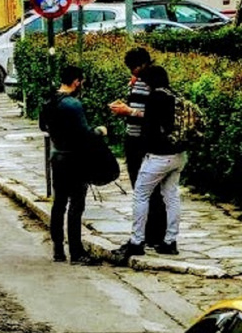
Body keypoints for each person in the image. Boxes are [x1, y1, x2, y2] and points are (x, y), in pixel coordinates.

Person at [39, 65, 102, 264]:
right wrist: (101, 131)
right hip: (75, 159)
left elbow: (43, 126)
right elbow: (86, 134)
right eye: (80, 81)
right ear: (76, 81)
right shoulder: (73, 104)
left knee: (59, 204)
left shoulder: (49, 101)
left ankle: (58, 249)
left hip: (57, 156)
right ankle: (76, 251)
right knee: (76, 204)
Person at [123, 65, 184, 261]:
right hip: (179, 155)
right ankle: (170, 241)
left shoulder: (154, 98)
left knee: (141, 194)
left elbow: (147, 129)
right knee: (172, 196)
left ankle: (137, 241)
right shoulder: (175, 95)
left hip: (158, 156)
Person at [108, 48, 166, 253]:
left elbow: (153, 114)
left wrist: (129, 111)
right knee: (144, 188)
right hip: (133, 138)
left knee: (146, 190)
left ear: (142, 65)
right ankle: (152, 234)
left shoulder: (152, 83)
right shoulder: (140, 82)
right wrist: (125, 109)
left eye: (134, 68)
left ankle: (151, 235)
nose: (133, 72)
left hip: (142, 141)